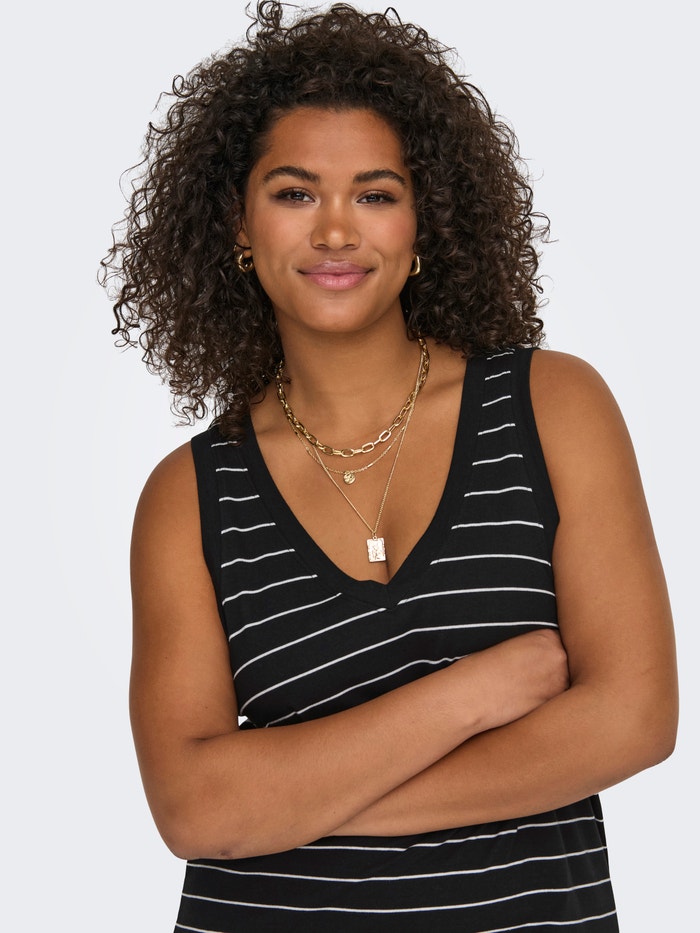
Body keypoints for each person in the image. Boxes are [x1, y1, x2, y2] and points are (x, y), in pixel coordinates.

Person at [101, 3, 678, 930]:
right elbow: (196, 810)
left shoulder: (553, 407)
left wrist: (290, 802)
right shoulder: (189, 497)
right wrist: (471, 694)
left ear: (425, 222)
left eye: (375, 195)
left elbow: (634, 719)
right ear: (239, 226)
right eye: (295, 194)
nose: (336, 232)